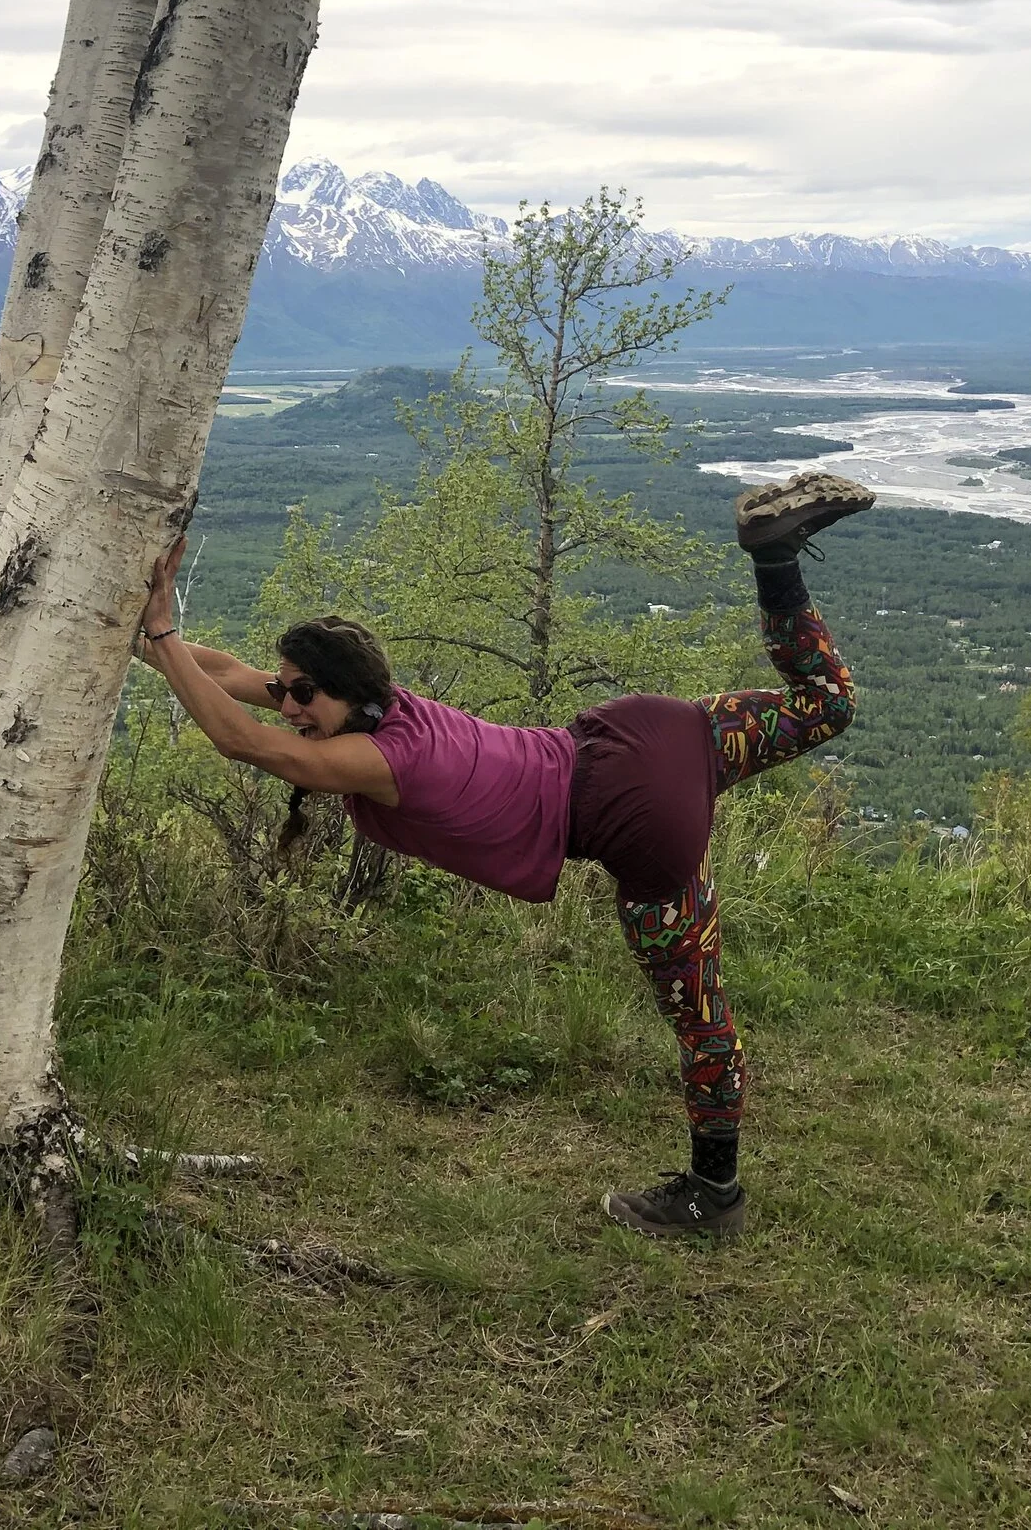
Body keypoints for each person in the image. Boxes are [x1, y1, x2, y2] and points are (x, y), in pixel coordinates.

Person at [134, 472, 874, 1240]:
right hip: (655, 733)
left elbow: (241, 739)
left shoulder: (381, 761)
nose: (287, 706)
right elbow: (223, 676)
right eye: (284, 689)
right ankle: (773, 555)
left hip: (637, 819)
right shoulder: (382, 700)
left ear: (347, 695)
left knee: (702, 1019)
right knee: (827, 702)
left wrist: (159, 635)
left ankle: (713, 1195)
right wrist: (138, 632)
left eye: (301, 694)